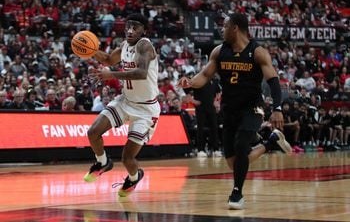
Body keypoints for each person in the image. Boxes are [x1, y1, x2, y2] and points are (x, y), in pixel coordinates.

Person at [178, 13, 292, 210]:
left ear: (235, 28)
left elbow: (273, 81)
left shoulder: (257, 52)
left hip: (252, 108)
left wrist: (277, 108)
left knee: (241, 145)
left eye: (225, 26)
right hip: (229, 109)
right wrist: (190, 83)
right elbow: (205, 75)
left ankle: (237, 193)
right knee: (233, 162)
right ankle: (270, 143)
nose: (222, 30)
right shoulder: (219, 51)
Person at [84, 13, 160, 197]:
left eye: (136, 27)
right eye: (128, 26)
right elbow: (109, 59)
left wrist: (112, 75)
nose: (130, 30)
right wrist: (89, 48)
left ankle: (134, 178)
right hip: (126, 101)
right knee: (93, 132)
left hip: (145, 109)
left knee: (127, 158)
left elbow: (141, 73)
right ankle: (103, 162)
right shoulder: (125, 45)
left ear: (144, 30)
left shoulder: (145, 45)